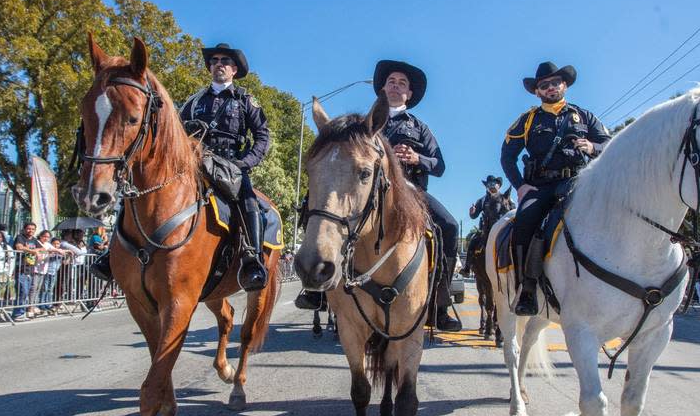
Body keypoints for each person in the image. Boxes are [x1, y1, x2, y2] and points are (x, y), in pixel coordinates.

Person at [90, 42, 271, 292]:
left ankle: (253, 259)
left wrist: (245, 163)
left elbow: (262, 137)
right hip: (194, 163)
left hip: (231, 167)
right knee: (137, 193)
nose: (219, 64)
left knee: (249, 201)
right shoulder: (193, 101)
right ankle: (112, 255)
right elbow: (173, 132)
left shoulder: (245, 101)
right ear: (209, 67)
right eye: (215, 60)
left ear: (234, 70)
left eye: (225, 61)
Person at [296, 60, 462, 331]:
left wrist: (417, 157)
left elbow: (439, 165)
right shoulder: (361, 125)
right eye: (391, 82)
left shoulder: (420, 128)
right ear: (382, 89)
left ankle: (440, 304)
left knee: (449, 226)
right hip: (365, 190)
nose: (396, 86)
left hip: (409, 192)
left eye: (402, 84)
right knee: (316, 207)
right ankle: (315, 287)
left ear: (409, 94)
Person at [501, 61, 611, 315]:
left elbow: (608, 143)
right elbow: (507, 156)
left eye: (555, 83)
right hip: (540, 186)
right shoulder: (527, 120)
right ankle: (526, 289)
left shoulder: (584, 116)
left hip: (578, 182)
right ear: (537, 92)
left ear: (564, 85)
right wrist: (520, 186)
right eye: (544, 85)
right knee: (524, 221)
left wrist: (594, 148)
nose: (550, 88)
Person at [12, 222, 42, 319]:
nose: (31, 231)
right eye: (29, 229)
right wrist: (33, 251)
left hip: (30, 268)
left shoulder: (34, 240)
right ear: (24, 229)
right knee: (22, 291)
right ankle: (18, 313)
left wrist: (37, 251)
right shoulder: (20, 237)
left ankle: (21, 311)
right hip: (21, 268)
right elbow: (19, 246)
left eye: (33, 229)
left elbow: (43, 248)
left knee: (26, 291)